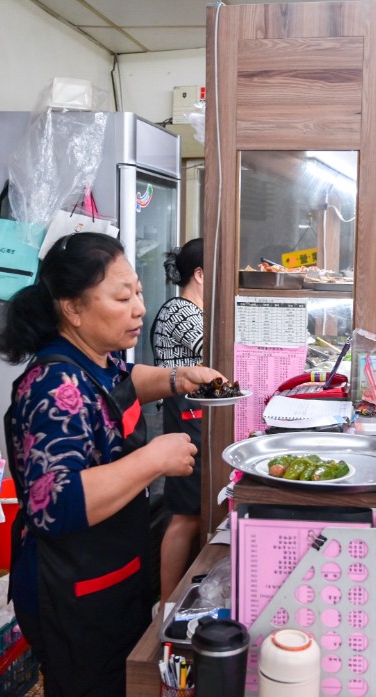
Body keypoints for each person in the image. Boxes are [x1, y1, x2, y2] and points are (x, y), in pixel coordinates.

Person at [0, 232, 224, 697]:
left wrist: (179, 378)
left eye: (138, 292)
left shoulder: (99, 359)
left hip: (113, 568)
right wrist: (152, 460)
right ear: (72, 308)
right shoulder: (50, 385)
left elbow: (122, 384)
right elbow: (52, 503)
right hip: (70, 586)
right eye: (123, 297)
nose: (140, 307)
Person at [151, 238, 206, 606]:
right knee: (185, 514)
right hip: (183, 416)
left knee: (198, 511)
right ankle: (167, 605)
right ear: (200, 275)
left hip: (197, 417)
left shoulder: (196, 310)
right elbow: (214, 351)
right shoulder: (180, 311)